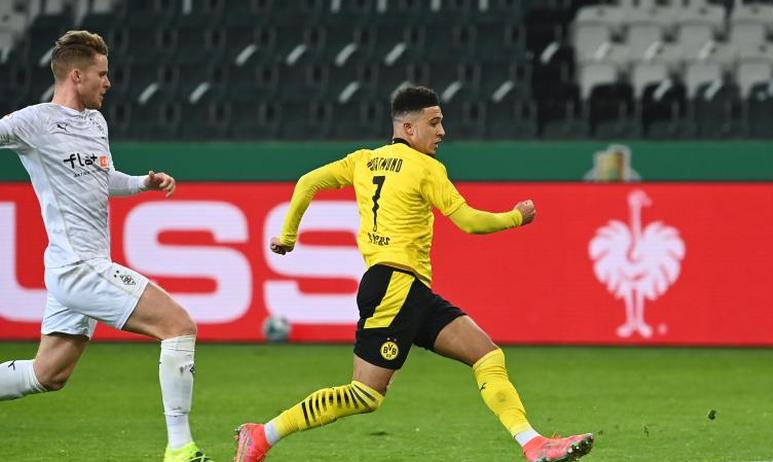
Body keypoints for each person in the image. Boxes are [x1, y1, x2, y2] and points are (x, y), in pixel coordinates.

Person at [233, 85, 594, 462]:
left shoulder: (363, 160)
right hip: (394, 287)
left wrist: (288, 236)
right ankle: (261, 435)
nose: (442, 132)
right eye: (433, 123)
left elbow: (308, 181)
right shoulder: (425, 168)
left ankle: (533, 444)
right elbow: (470, 222)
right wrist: (516, 217)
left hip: (406, 289)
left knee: (486, 355)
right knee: (364, 394)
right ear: (408, 127)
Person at [0, 31, 213, 462]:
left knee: (48, 374)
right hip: (78, 266)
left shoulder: (96, 123)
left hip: (80, 267)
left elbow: (102, 177)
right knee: (179, 326)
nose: (108, 82)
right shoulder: (33, 122)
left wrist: (141, 183)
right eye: (101, 74)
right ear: (76, 76)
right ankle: (180, 448)